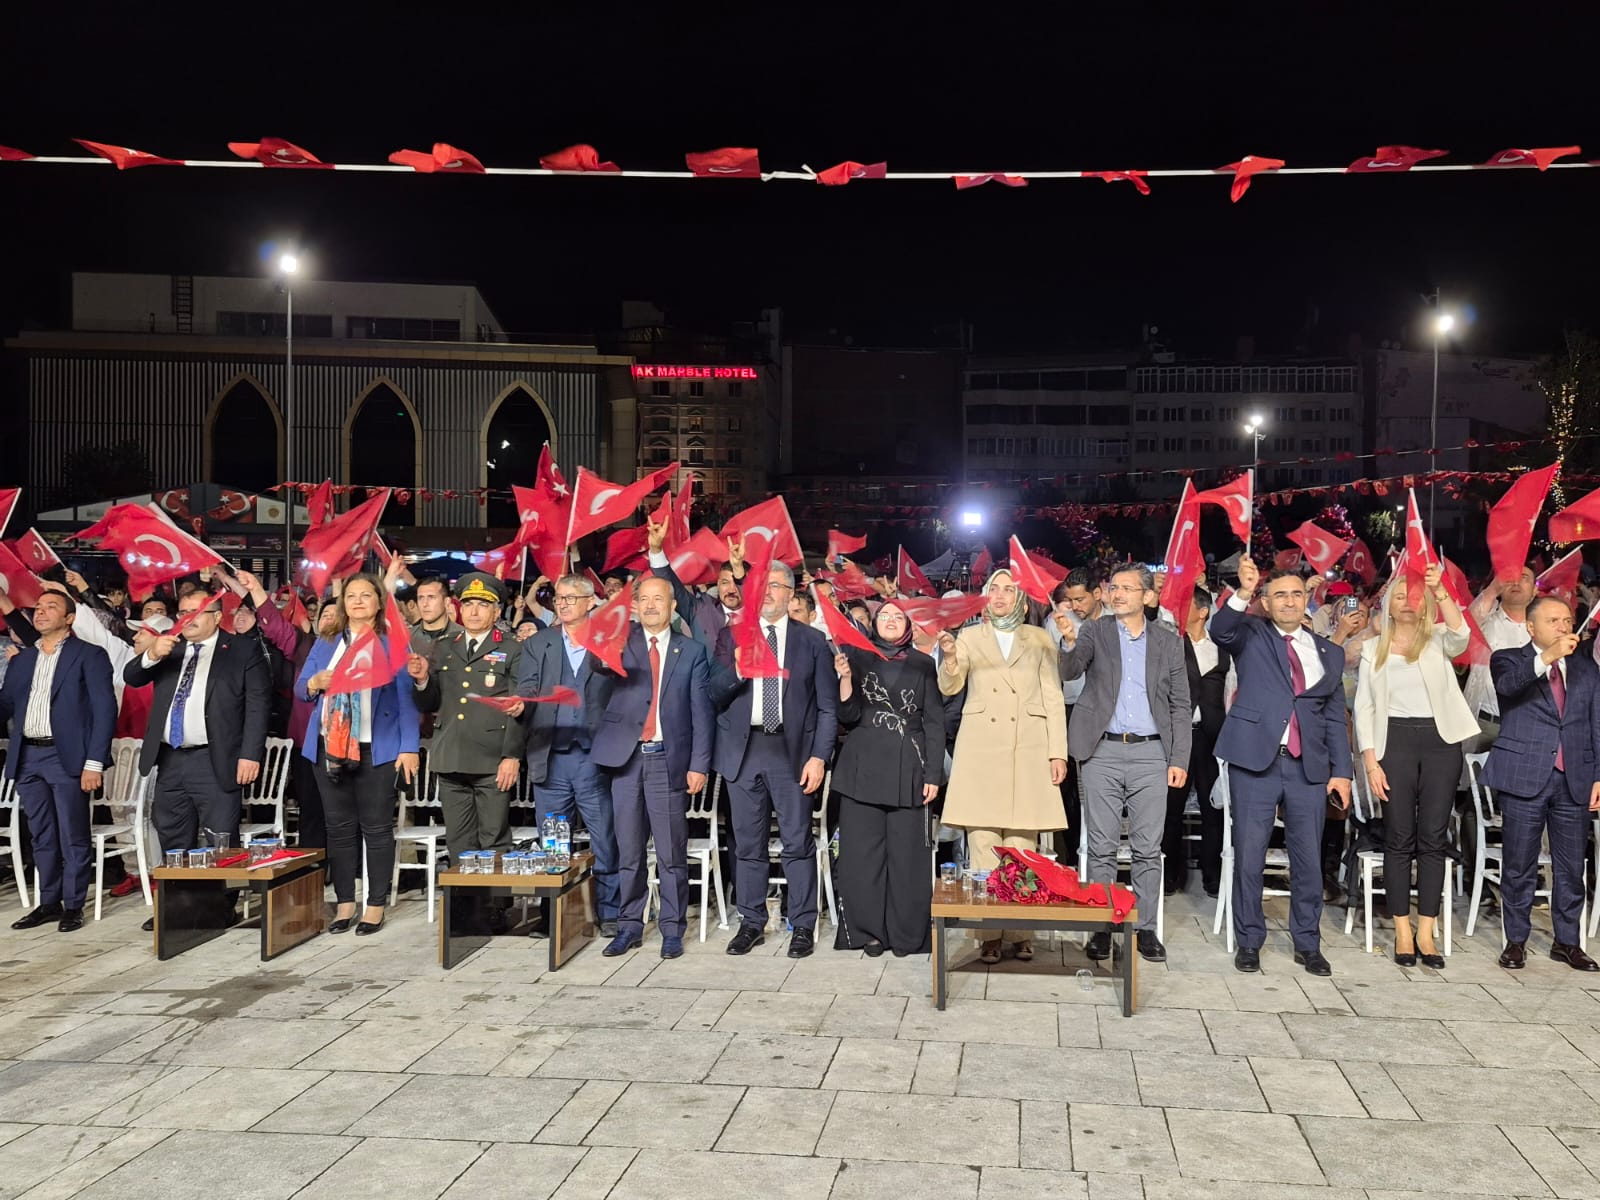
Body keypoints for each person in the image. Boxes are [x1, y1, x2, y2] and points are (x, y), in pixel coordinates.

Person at [1211, 557, 1352, 977]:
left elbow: (1334, 717)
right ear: (1267, 603)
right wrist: (1243, 591)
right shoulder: (1251, 634)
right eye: (1280, 596)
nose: (1289, 601)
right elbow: (1221, 630)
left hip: (1308, 767)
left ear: (1307, 598)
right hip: (1256, 761)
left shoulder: (1330, 652)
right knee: (1249, 856)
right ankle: (1249, 940)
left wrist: (1342, 772)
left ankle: (1308, 943)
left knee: (1308, 859)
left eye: (1296, 594)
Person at [1058, 564, 1191, 963]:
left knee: (1147, 848)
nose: (1117, 594)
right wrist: (1068, 642)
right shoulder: (1094, 631)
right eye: (1113, 587)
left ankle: (1145, 928)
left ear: (1148, 597)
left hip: (1152, 753)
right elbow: (1070, 671)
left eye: (1127, 588)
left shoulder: (1168, 642)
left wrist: (1179, 758)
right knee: (1101, 846)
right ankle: (1101, 928)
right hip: (1102, 752)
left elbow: (1180, 705)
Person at [937, 569, 1068, 964]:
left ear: (1021, 601)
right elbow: (950, 686)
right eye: (993, 589)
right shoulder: (969, 636)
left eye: (1008, 590)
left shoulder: (1040, 639)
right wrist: (949, 658)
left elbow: (1053, 695)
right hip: (982, 748)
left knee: (1023, 846)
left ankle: (1021, 932)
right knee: (983, 846)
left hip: (1028, 746)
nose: (999, 595)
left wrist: (1057, 752)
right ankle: (989, 934)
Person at [709, 560, 838, 959]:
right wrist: (737, 668)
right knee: (748, 843)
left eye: (776, 586)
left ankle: (802, 924)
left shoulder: (811, 641)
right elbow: (713, 692)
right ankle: (751, 922)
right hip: (744, 751)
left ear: (790, 593)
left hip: (791, 753)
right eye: (762, 586)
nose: (767, 593)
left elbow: (827, 707)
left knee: (797, 841)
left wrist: (819, 757)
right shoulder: (732, 635)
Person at [125, 588, 272, 931]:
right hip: (171, 758)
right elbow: (132, 677)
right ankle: (179, 907)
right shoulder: (170, 648)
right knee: (173, 835)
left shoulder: (241, 650)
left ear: (217, 616)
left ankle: (220, 908)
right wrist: (152, 654)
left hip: (216, 758)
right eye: (182, 612)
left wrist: (250, 754)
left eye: (196, 612)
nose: (187, 619)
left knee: (219, 838)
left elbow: (258, 705)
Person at [1355, 563, 1475, 968]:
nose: (1408, 602)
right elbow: (1364, 708)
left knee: (1433, 838)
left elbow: (1462, 634)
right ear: (1388, 605)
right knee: (1399, 837)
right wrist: (1371, 761)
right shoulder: (1373, 649)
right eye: (1401, 596)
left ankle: (1427, 929)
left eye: (1415, 597)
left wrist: (1440, 590)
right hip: (1395, 743)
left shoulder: (1439, 638)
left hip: (1441, 742)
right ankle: (1402, 930)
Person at [588, 574, 714, 959]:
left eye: (658, 599)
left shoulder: (690, 651)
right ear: (635, 605)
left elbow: (701, 713)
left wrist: (699, 764)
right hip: (626, 760)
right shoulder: (622, 642)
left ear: (673, 606)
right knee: (629, 851)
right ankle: (629, 926)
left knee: (671, 852)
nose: (651, 606)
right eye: (644, 599)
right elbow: (598, 663)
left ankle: (672, 929)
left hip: (667, 760)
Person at [297, 574, 425, 936]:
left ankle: (374, 906)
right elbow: (301, 689)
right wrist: (314, 683)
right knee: (338, 829)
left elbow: (406, 700)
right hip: (330, 747)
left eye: (365, 595)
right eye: (350, 595)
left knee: (377, 829)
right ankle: (345, 904)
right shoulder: (327, 640)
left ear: (378, 602)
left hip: (377, 747)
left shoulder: (392, 643)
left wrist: (409, 747)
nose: (356, 601)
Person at [1483, 595, 1600, 971]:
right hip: (1524, 774)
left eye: (1567, 620)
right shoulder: (1508, 659)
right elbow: (1509, 686)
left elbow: (1596, 722)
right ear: (1531, 627)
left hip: (1574, 777)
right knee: (1520, 864)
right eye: (1554, 621)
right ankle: (1516, 940)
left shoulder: (1585, 667)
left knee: (1571, 867)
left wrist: (1598, 775)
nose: (1564, 627)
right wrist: (1548, 656)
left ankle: (1568, 942)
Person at [831, 600, 945, 956]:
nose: (891, 621)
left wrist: (933, 773)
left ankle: (906, 934)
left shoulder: (924, 663)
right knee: (862, 856)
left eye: (898, 616)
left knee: (907, 857)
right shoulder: (856, 656)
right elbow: (847, 715)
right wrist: (845, 679)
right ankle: (868, 933)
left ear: (908, 625)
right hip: (861, 768)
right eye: (884, 616)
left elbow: (934, 723)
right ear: (874, 622)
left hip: (910, 768)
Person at [1, 591, 116, 932]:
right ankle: (49, 902)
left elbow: (104, 709)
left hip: (67, 756)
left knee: (73, 833)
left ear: (69, 618)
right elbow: (5, 705)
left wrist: (94, 762)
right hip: (27, 755)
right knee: (41, 834)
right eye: (38, 607)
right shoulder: (23, 659)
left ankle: (74, 904)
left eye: (51, 607)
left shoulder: (89, 655)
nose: (41, 612)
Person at [516, 573, 620, 936]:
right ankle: (553, 917)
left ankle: (610, 913)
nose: (562, 604)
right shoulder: (539, 643)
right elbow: (527, 686)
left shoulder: (609, 641)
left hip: (595, 758)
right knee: (553, 841)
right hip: (551, 756)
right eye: (558, 598)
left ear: (591, 602)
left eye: (570, 598)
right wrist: (521, 704)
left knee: (604, 838)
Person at [413, 573, 528, 868]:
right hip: (451, 755)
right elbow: (429, 703)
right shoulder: (445, 646)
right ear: (459, 609)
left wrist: (511, 756)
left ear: (497, 612)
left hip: (492, 759)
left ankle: (494, 899)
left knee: (493, 840)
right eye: (468, 604)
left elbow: (520, 708)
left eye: (482, 605)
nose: (474, 611)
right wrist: (423, 680)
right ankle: (462, 899)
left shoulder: (512, 648)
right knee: (459, 841)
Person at [1168, 588, 1230, 898]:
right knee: (1172, 808)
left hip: (1212, 738)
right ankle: (1170, 876)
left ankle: (1212, 876)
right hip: (1179, 736)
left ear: (1203, 612)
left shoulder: (1222, 648)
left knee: (1212, 808)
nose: (1180, 609)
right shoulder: (1172, 645)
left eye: (1187, 605)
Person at [1464, 563, 1536, 743]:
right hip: (1484, 722)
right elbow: (1465, 626)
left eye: (1524, 578)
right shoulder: (1484, 622)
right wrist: (1492, 590)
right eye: (1510, 578)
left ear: (1535, 590)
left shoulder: (1543, 628)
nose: (1516, 582)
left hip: (1529, 724)